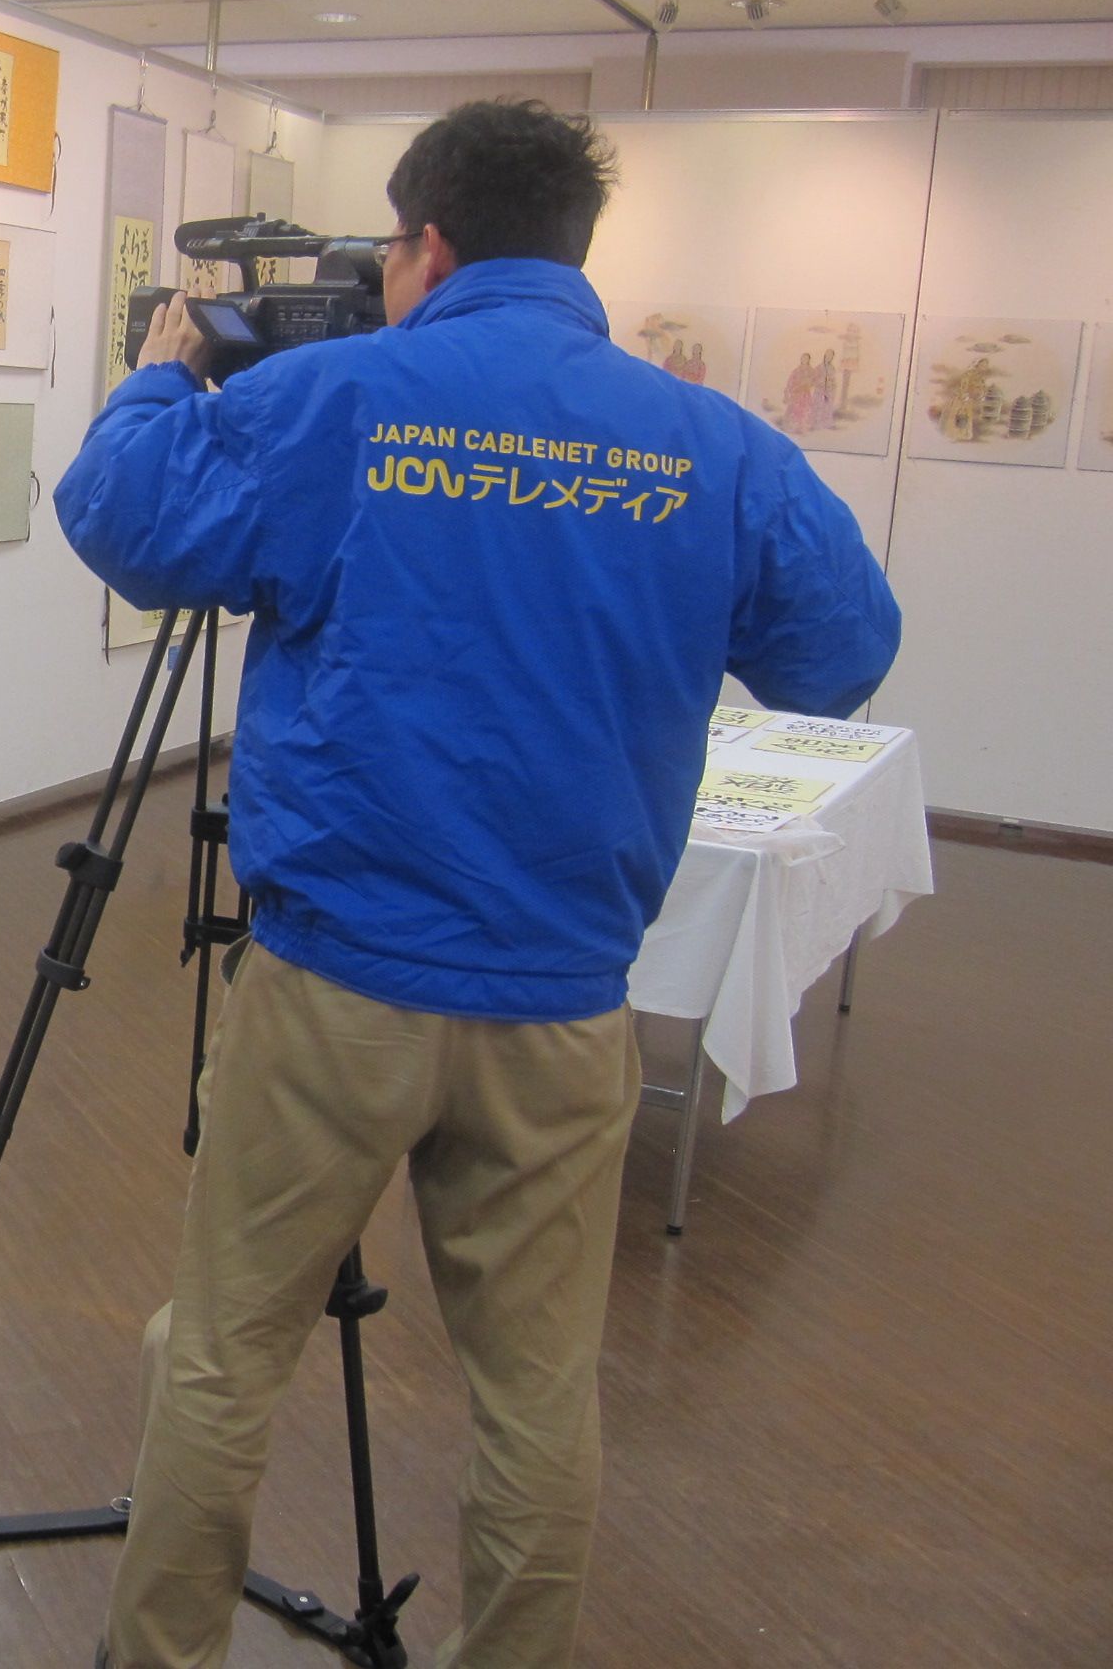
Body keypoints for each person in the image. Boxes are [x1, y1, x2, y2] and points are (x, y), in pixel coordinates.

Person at [56, 100, 899, 1669]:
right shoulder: (712, 443)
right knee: (535, 1398)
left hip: (335, 989)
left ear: (425, 247)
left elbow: (128, 521)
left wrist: (162, 376)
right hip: (567, 1004)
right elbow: (842, 651)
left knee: (223, 1357)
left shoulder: (342, 398)